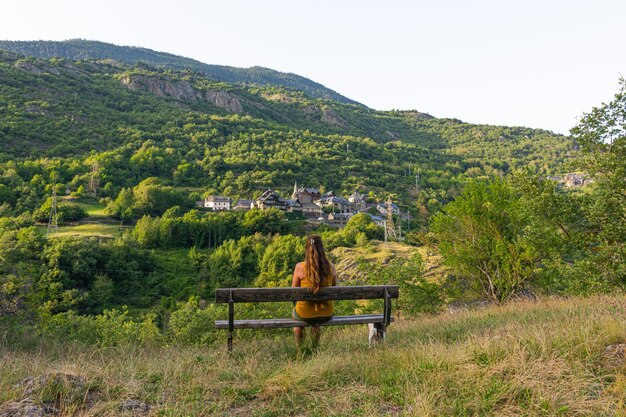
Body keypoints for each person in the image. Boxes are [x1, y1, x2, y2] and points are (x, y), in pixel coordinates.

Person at [292, 234, 337, 354]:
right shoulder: (331, 267)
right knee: (315, 323)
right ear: (322, 249)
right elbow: (334, 289)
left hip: (304, 313)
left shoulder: (300, 267)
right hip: (325, 312)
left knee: (296, 319)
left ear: (307, 249)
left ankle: (299, 350)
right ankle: (315, 349)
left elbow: (293, 292)